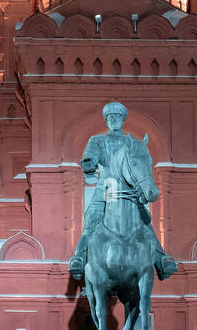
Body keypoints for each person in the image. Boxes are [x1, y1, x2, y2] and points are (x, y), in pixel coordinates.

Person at [68, 101, 178, 281]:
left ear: (123, 120)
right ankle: (79, 258)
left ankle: (162, 259)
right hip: (106, 187)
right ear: (106, 120)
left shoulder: (132, 142)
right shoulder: (98, 140)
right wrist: (89, 162)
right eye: (110, 117)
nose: (114, 120)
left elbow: (141, 164)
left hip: (129, 190)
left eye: (118, 117)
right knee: (92, 218)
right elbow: (91, 156)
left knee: (144, 222)